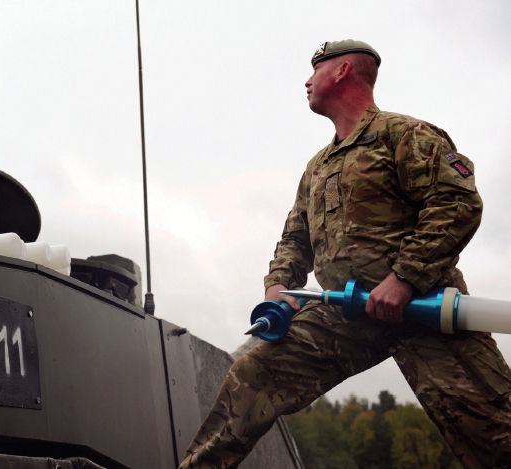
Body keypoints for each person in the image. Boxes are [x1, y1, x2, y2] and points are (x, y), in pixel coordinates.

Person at [179, 40, 511, 468]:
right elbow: (295, 236)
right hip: (345, 312)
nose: (306, 81)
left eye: (313, 70)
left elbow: (457, 202)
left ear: (341, 72)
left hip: (427, 311)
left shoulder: (404, 135)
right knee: (254, 374)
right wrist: (278, 283)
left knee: (496, 435)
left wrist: (404, 279)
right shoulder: (318, 166)